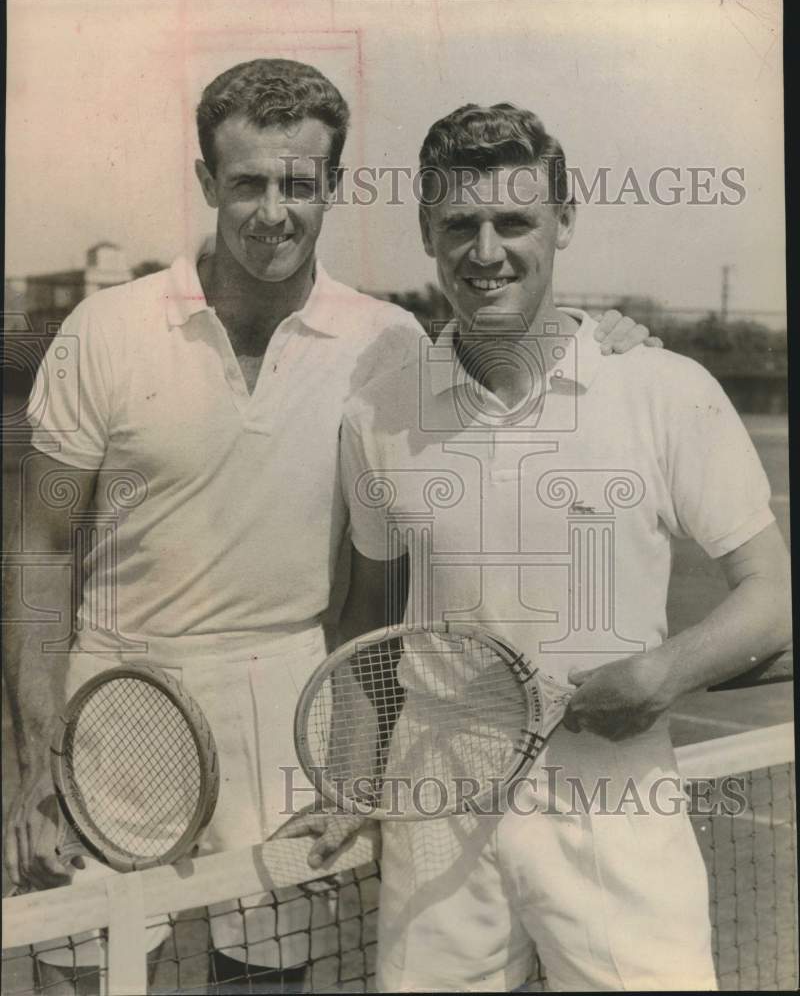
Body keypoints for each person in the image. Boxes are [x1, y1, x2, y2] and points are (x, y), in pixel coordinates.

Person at [4, 62, 653, 988]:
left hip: (289, 701)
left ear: (333, 188)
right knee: (80, 980)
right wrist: (35, 767)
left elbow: (506, 361)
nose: (274, 211)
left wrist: (609, 336)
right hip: (111, 699)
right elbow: (39, 552)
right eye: (248, 183)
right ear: (206, 185)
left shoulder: (384, 341)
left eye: (299, 184)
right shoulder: (105, 331)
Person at [295, 102, 792, 990]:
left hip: (613, 794)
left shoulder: (661, 387)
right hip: (433, 802)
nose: (486, 251)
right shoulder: (379, 410)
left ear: (563, 221)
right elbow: (368, 629)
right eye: (459, 224)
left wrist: (662, 674)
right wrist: (349, 784)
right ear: (427, 233)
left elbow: (771, 591)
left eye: (514, 220)